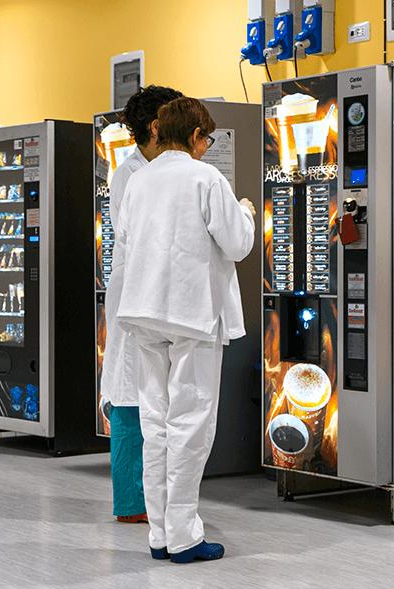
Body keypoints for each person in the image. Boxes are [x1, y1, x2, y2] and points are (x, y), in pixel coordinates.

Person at [115, 97, 256, 563]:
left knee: (154, 424)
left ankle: (160, 534)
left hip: (144, 313)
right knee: (190, 424)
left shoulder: (139, 181)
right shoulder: (206, 178)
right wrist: (248, 213)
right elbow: (236, 244)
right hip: (192, 315)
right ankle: (185, 536)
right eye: (207, 139)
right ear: (196, 136)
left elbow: (127, 241)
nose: (207, 146)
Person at [102, 85, 183, 525]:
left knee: (152, 395)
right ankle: (133, 502)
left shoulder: (157, 169)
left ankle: (155, 497)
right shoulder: (132, 175)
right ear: (158, 127)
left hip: (154, 296)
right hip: (140, 296)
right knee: (132, 394)